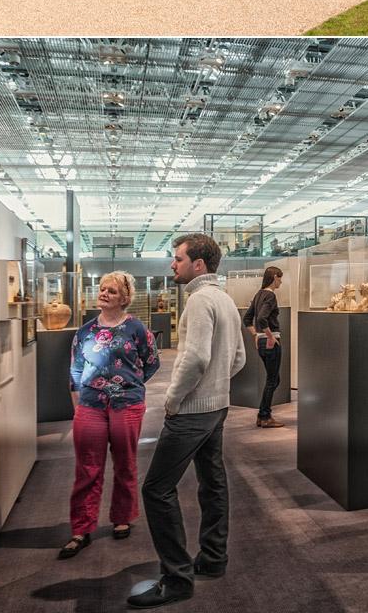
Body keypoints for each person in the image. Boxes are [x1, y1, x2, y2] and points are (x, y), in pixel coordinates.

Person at [129, 234, 247, 609]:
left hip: (194, 411)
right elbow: (240, 358)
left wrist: (173, 399)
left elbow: (195, 357)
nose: (172, 264)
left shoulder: (199, 300)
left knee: (156, 490)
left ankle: (177, 578)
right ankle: (212, 559)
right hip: (217, 407)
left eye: (177, 258)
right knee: (213, 482)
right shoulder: (224, 299)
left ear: (198, 264)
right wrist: (217, 386)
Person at [61, 271, 160, 559]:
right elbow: (75, 371)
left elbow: (151, 362)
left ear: (125, 298)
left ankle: (122, 517)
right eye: (102, 289)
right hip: (90, 405)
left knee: (125, 464)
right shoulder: (85, 332)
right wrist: (78, 406)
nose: (104, 294)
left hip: (126, 405)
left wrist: (129, 384)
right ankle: (81, 527)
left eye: (112, 291)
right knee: (87, 469)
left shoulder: (137, 328)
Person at [247, 266, 283, 429]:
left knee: (273, 379)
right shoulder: (270, 295)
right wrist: (269, 336)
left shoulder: (258, 295)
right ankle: (264, 416)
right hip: (271, 340)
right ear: (274, 277)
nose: (281, 281)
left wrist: (256, 335)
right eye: (280, 277)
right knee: (272, 380)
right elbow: (262, 319)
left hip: (261, 341)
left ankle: (263, 414)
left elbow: (247, 319)